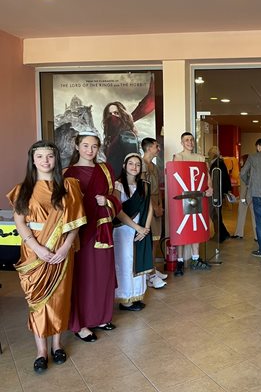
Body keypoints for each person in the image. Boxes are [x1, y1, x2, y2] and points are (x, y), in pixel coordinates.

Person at [7, 141, 86, 373]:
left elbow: (75, 225)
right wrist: (38, 248)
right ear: (33, 160)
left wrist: (65, 248)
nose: (45, 161)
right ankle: (41, 351)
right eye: (39, 156)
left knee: (60, 298)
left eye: (49, 156)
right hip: (34, 251)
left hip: (62, 249)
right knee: (36, 301)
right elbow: (20, 222)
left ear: (56, 159)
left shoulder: (69, 186)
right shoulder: (23, 188)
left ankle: (57, 345)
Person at [65, 131, 122, 342]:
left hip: (102, 230)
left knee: (103, 275)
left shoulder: (106, 170)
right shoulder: (67, 173)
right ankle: (80, 325)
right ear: (77, 146)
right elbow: (64, 208)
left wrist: (106, 201)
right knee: (83, 278)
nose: (90, 150)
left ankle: (101, 317)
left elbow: (117, 200)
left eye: (94, 146)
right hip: (80, 234)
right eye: (86, 146)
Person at [113, 153, 154, 311]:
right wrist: (137, 228)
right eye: (131, 164)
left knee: (138, 260)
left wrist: (146, 229)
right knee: (125, 262)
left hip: (142, 229)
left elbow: (149, 207)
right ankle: (125, 299)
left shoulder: (144, 185)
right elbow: (117, 211)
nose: (134, 167)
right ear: (124, 166)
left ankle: (136, 295)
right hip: (123, 230)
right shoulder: (117, 185)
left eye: (137, 164)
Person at [173, 132, 213, 272]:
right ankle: (179, 261)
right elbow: (176, 176)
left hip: (197, 197)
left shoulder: (200, 158)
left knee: (196, 228)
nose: (189, 142)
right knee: (182, 228)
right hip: (183, 198)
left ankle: (195, 258)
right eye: (186, 140)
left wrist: (210, 187)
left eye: (191, 140)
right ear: (182, 142)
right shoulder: (178, 157)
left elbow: (207, 176)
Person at [141, 137, 167, 288]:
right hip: (148, 206)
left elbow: (158, 188)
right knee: (150, 241)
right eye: (156, 146)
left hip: (157, 204)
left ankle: (152, 269)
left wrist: (160, 206)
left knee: (156, 240)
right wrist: (154, 207)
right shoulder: (142, 165)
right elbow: (145, 191)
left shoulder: (154, 167)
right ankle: (149, 275)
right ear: (149, 148)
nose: (159, 149)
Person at [102, 101, 139, 178]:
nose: (113, 116)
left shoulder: (127, 135)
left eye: (116, 113)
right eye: (110, 114)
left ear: (123, 115)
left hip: (122, 183)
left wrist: (123, 182)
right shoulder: (110, 138)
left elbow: (133, 162)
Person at [208, 146, 232, 243]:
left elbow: (216, 180)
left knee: (215, 214)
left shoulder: (217, 164)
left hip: (216, 193)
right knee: (217, 214)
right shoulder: (220, 163)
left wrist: (215, 194)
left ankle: (220, 235)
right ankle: (223, 233)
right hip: (218, 192)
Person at [232, 154, 257, 239]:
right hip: (253, 196)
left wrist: (242, 198)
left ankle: (239, 233)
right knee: (255, 217)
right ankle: (257, 236)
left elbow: (243, 187)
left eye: (242, 160)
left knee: (241, 215)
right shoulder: (253, 170)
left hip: (244, 197)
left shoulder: (243, 171)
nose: (240, 161)